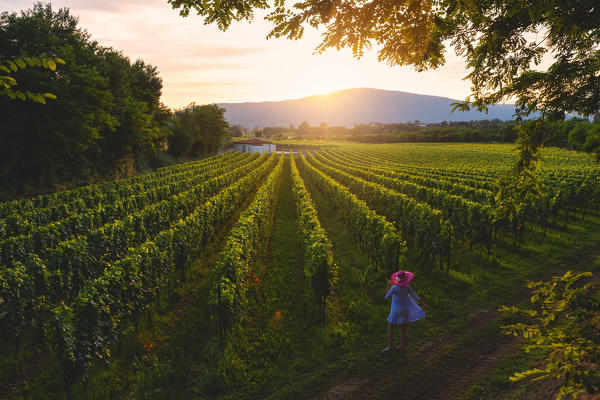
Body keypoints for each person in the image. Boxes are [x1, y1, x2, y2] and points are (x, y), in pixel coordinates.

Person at [381, 270, 426, 353]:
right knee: (403, 328)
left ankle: (389, 346)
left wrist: (388, 286)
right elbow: (415, 297)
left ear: (397, 279)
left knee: (390, 326)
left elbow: (386, 297)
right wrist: (423, 304)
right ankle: (401, 346)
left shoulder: (394, 288)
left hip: (395, 310)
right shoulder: (408, 287)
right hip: (404, 310)